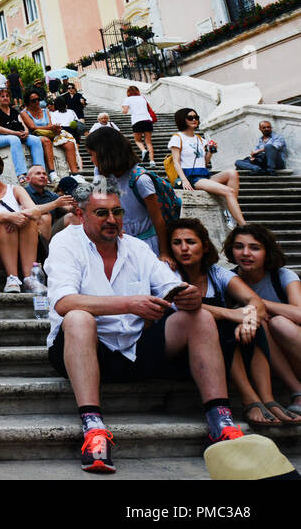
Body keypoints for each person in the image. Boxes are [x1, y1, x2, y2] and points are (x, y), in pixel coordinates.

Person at [46, 178, 243, 474]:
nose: (113, 220)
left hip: (135, 347)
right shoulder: (64, 242)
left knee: (199, 316)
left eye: (118, 212)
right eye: (102, 213)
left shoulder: (136, 247)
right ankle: (93, 428)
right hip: (82, 349)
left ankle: (220, 419)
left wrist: (186, 296)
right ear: (81, 215)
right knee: (77, 316)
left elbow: (169, 286)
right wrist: (129, 303)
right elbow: (63, 301)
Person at [168, 220, 299, 425]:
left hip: (260, 347)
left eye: (190, 242)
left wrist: (247, 318)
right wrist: (233, 314)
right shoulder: (168, 273)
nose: (184, 248)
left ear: (205, 245)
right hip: (188, 351)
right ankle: (251, 399)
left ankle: (268, 398)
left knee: (260, 322)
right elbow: (182, 305)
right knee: (216, 324)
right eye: (177, 243)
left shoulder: (217, 273)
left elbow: (256, 303)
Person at [225, 223, 301, 417]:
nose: (245, 253)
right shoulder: (228, 279)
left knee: (278, 322)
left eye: (255, 247)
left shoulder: (282, 275)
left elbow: (299, 314)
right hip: (261, 355)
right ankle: (297, 390)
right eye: (239, 246)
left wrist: (259, 303)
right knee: (262, 322)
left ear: (268, 251)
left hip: (293, 348)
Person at [0, 152, 68, 293]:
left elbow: (34, 211)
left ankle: (29, 278)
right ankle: (12, 278)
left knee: (28, 220)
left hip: (17, 247)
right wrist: (8, 217)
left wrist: (18, 215)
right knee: (3, 222)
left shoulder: (16, 189)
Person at [86, 125, 170, 267]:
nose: (91, 159)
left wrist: (165, 253)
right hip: (118, 240)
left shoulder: (140, 180)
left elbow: (158, 219)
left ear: (103, 154)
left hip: (146, 243)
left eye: (92, 154)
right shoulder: (100, 173)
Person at [169, 107, 245, 226]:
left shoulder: (200, 139)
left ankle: (231, 210)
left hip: (204, 175)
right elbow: (176, 162)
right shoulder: (177, 138)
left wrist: (210, 152)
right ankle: (242, 224)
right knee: (228, 191)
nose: (194, 120)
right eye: (190, 118)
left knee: (232, 173)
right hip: (191, 177)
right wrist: (184, 180)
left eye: (196, 117)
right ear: (182, 120)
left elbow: (204, 163)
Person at [0, 87, 44, 183]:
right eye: (2, 96)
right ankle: (21, 174)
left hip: (16, 135)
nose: (5, 98)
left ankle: (39, 171)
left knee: (35, 140)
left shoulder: (14, 111)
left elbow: (23, 124)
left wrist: (25, 132)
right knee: (14, 139)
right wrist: (16, 133)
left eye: (7, 96)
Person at [21, 90, 79, 176]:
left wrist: (54, 128)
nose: (37, 102)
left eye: (38, 99)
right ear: (27, 102)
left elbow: (49, 124)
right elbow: (32, 127)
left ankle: (75, 173)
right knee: (46, 141)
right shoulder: (24, 113)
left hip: (49, 133)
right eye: (33, 100)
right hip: (35, 135)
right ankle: (52, 172)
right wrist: (50, 128)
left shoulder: (45, 111)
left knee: (69, 144)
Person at [120, 84, 156, 166]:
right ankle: (152, 161)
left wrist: (123, 108)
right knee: (148, 142)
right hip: (147, 120)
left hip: (137, 121)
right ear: (137, 91)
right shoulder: (142, 98)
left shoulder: (128, 99)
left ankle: (143, 150)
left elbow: (125, 111)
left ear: (128, 92)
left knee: (138, 140)